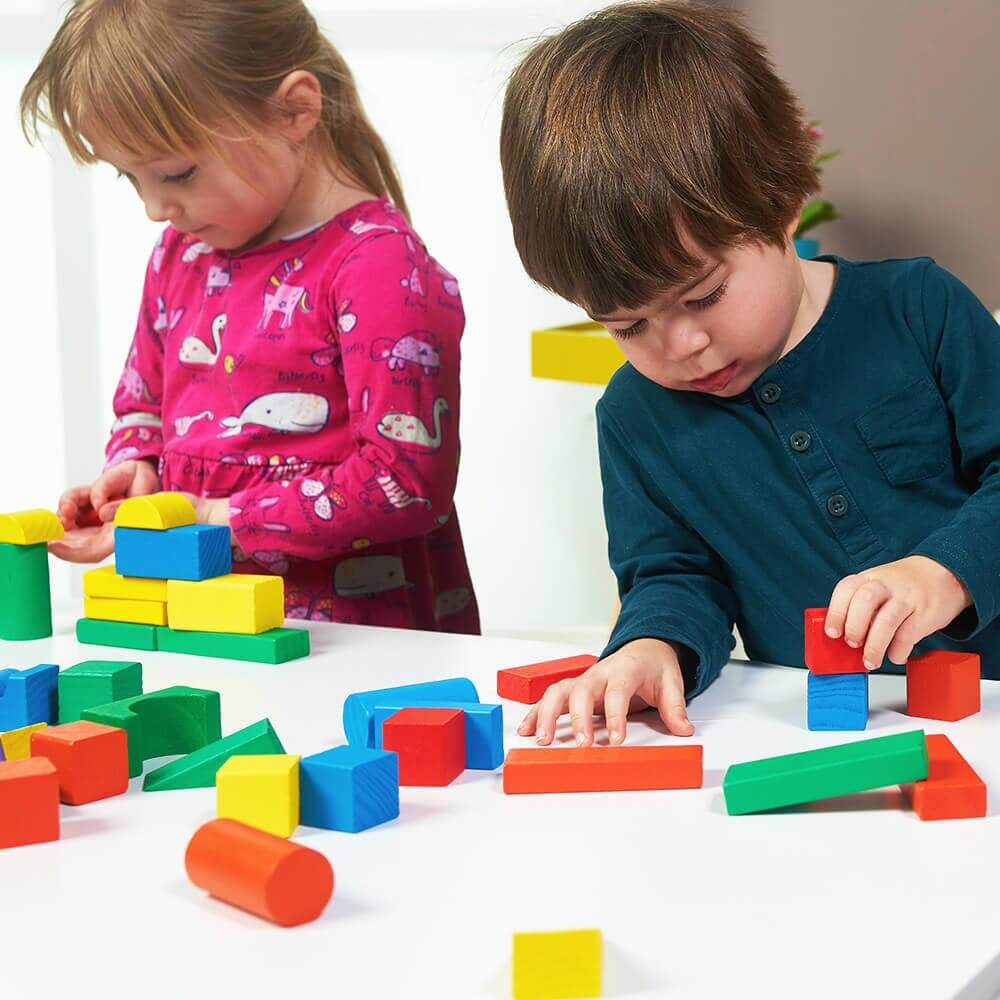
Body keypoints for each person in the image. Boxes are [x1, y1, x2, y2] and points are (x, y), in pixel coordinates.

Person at [499, 0, 997, 745]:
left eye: (704, 294)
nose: (681, 346)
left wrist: (942, 572)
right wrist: (648, 647)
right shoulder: (635, 419)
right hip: (824, 741)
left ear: (786, 204)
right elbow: (673, 575)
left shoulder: (919, 310)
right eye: (627, 325)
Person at [21, 0, 479, 633]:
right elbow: (143, 406)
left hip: (350, 641)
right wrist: (137, 470)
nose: (156, 207)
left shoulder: (375, 266)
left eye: (177, 172)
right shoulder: (182, 256)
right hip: (197, 618)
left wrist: (210, 518)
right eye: (132, 178)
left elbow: (402, 481)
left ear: (294, 110)